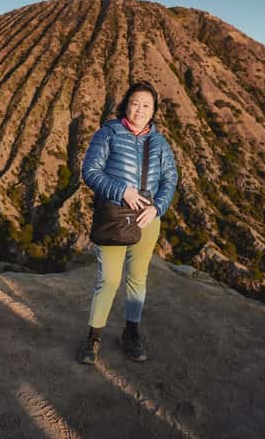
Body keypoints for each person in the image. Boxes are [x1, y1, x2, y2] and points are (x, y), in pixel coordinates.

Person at [78, 80, 178, 364]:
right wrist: (122, 191)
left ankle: (131, 333)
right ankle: (93, 337)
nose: (140, 110)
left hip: (148, 219)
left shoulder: (159, 143)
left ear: (153, 111)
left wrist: (157, 208)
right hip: (115, 216)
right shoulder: (108, 133)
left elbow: (170, 179)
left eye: (147, 105)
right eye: (135, 103)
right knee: (109, 279)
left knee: (137, 278)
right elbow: (90, 171)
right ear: (125, 105)